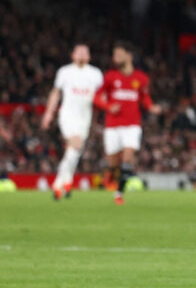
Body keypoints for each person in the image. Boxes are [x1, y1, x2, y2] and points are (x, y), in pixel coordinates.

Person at [92, 41, 162, 204]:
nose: (115, 58)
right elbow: (96, 97)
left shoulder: (141, 78)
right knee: (113, 163)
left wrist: (151, 107)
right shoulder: (110, 77)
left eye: (119, 54)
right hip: (112, 126)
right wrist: (109, 107)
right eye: (114, 55)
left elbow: (144, 98)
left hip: (132, 125)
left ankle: (119, 193)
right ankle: (111, 176)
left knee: (128, 157)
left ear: (129, 56)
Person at [41, 44, 104, 200]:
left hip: (85, 116)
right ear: (73, 55)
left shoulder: (96, 74)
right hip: (68, 114)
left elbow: (102, 95)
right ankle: (57, 184)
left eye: (85, 52)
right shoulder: (65, 72)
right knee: (75, 144)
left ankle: (67, 180)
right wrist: (49, 113)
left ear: (89, 56)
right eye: (78, 52)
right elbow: (56, 93)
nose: (81, 54)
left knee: (75, 150)